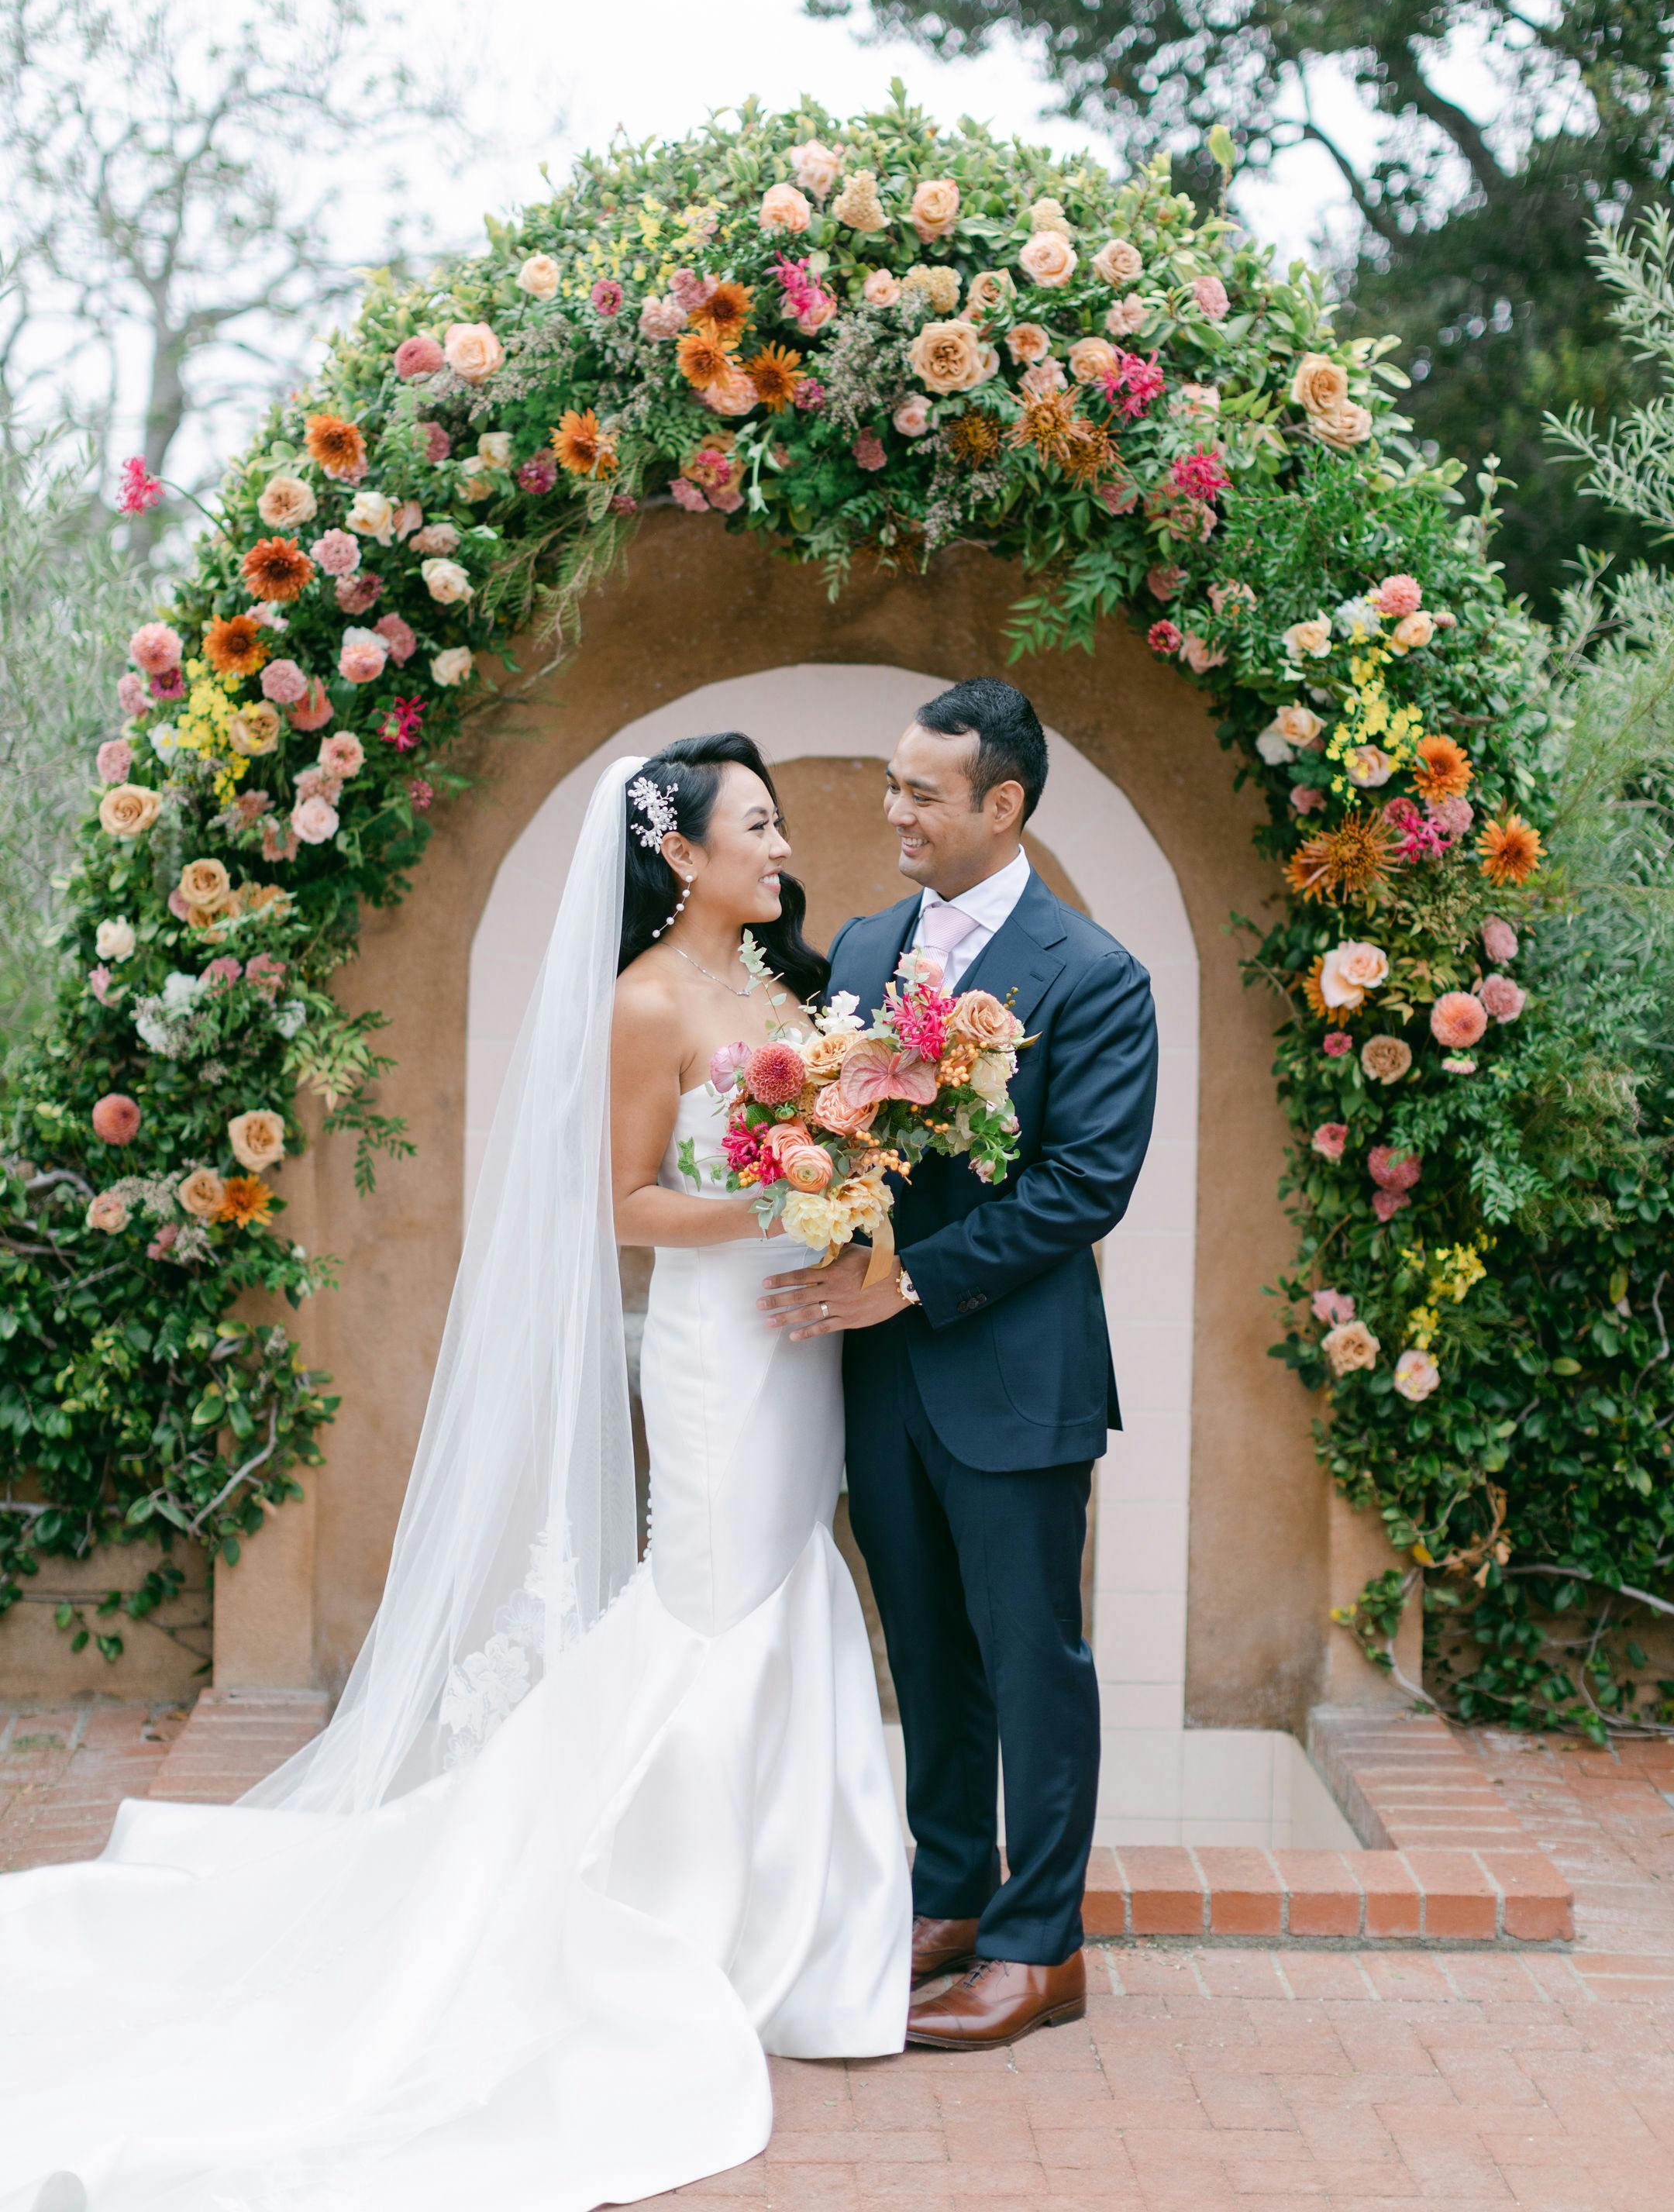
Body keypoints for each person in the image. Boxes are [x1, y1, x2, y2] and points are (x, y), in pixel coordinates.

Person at [0, 736, 909, 2212]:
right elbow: (623, 1204)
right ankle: (663, 1908)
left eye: (780, 821)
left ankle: (795, 1925)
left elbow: (835, 1154)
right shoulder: (647, 1002)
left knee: (784, 1577)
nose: (784, 844)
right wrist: (768, 1198)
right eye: (757, 822)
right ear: (680, 853)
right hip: (714, 1347)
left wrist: (849, 1197)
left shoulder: (790, 992)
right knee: (708, 1595)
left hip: (798, 1344)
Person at [760, 678, 1159, 2051]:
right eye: (892, 785)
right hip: (885, 1384)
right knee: (924, 1649)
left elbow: (1082, 1188)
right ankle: (949, 1897)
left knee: (1033, 1657)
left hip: (1014, 1376)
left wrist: (905, 1283)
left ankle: (1043, 1948)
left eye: (923, 792)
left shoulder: (1094, 977)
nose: (893, 812)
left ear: (1005, 804)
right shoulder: (866, 947)